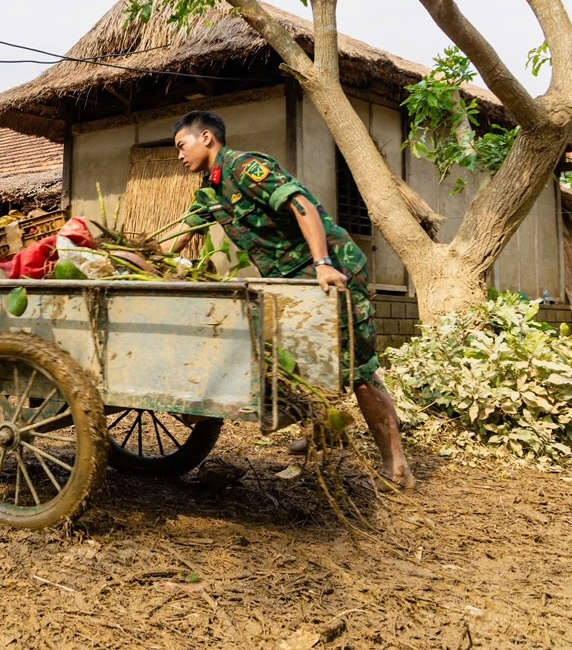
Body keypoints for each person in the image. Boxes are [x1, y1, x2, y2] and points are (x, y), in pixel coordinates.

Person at [168, 110, 415, 490]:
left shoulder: (246, 167)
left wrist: (322, 263)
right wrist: (154, 259)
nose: (179, 155)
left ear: (206, 138)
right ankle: (322, 431)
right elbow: (184, 232)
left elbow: (302, 205)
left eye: (181, 145)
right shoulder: (213, 188)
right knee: (296, 359)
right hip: (291, 283)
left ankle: (397, 470)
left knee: (359, 371)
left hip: (332, 273)